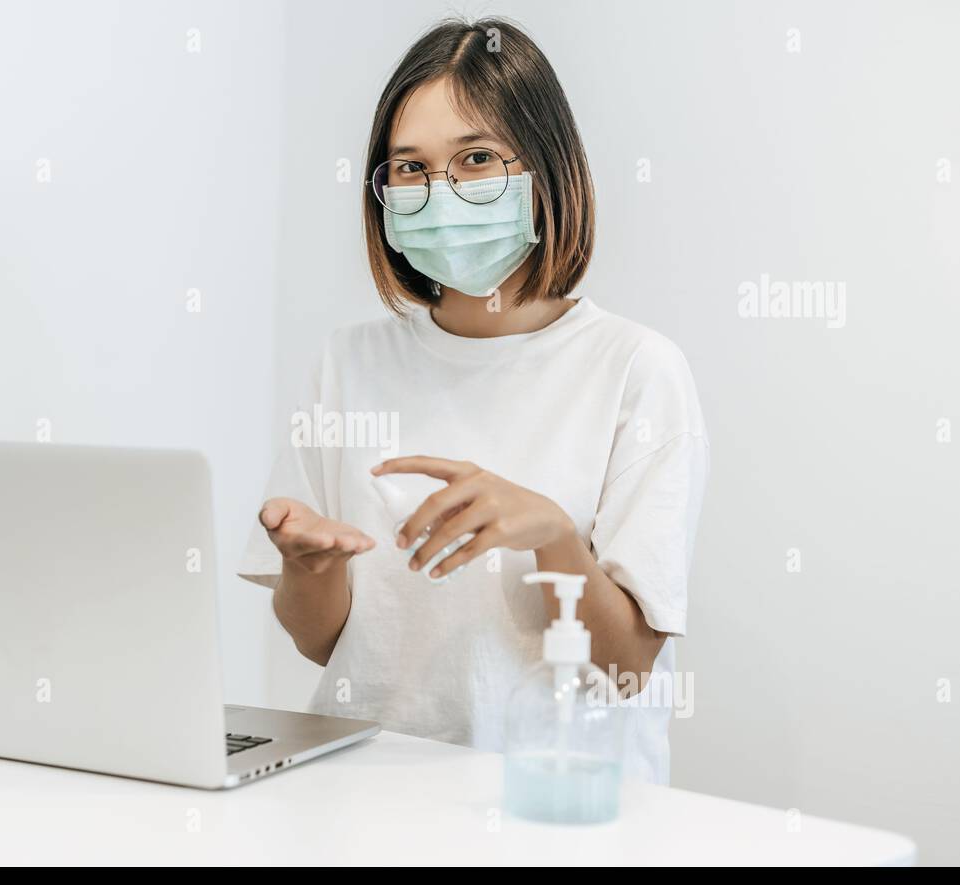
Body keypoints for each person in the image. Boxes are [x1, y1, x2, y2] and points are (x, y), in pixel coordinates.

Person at [236, 17, 708, 784]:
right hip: (369, 789)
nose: (441, 192)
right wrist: (311, 566)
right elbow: (324, 645)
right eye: (410, 169)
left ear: (548, 168)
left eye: (477, 159)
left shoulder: (636, 370)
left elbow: (626, 671)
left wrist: (552, 534)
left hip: (560, 801)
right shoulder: (348, 363)